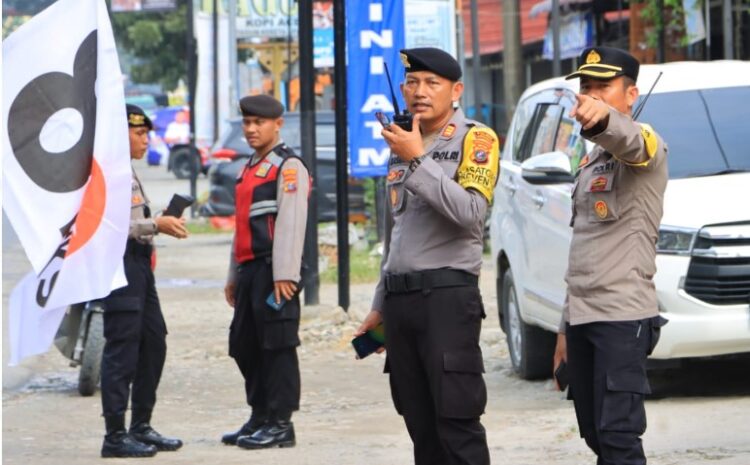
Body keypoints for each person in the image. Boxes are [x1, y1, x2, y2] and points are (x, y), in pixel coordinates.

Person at [356, 47, 500, 465]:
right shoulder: (401, 145)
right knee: (419, 424)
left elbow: (471, 213)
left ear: (455, 90)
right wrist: (379, 305)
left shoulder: (477, 139)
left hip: (446, 299)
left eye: (432, 83)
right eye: (413, 83)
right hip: (401, 303)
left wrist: (418, 158)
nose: (420, 92)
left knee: (457, 423)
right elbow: (394, 235)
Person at [552, 46, 669, 465]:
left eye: (603, 86)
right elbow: (583, 247)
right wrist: (565, 327)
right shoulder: (590, 163)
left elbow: (630, 141)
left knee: (619, 436)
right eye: (586, 87)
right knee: (595, 433)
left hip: (623, 318)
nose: (591, 94)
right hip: (584, 317)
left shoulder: (647, 148)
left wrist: (602, 119)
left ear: (631, 94)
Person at [100, 104, 188, 458]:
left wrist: (160, 221)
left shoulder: (128, 172)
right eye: (139, 133)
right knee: (122, 348)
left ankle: (141, 425)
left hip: (139, 265)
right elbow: (106, 228)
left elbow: (134, 219)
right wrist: (156, 226)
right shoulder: (104, 173)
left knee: (154, 342)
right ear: (120, 134)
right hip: (119, 266)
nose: (145, 140)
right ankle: (114, 435)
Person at [221, 95, 310, 450]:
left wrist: (285, 274)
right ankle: (259, 415)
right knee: (245, 345)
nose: (252, 129)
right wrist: (232, 275)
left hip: (275, 270)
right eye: (247, 123)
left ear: (278, 124)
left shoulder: (288, 167)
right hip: (249, 272)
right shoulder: (250, 167)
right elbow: (241, 225)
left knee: (278, 345)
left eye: (259, 123)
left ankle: (281, 423)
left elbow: (291, 223)